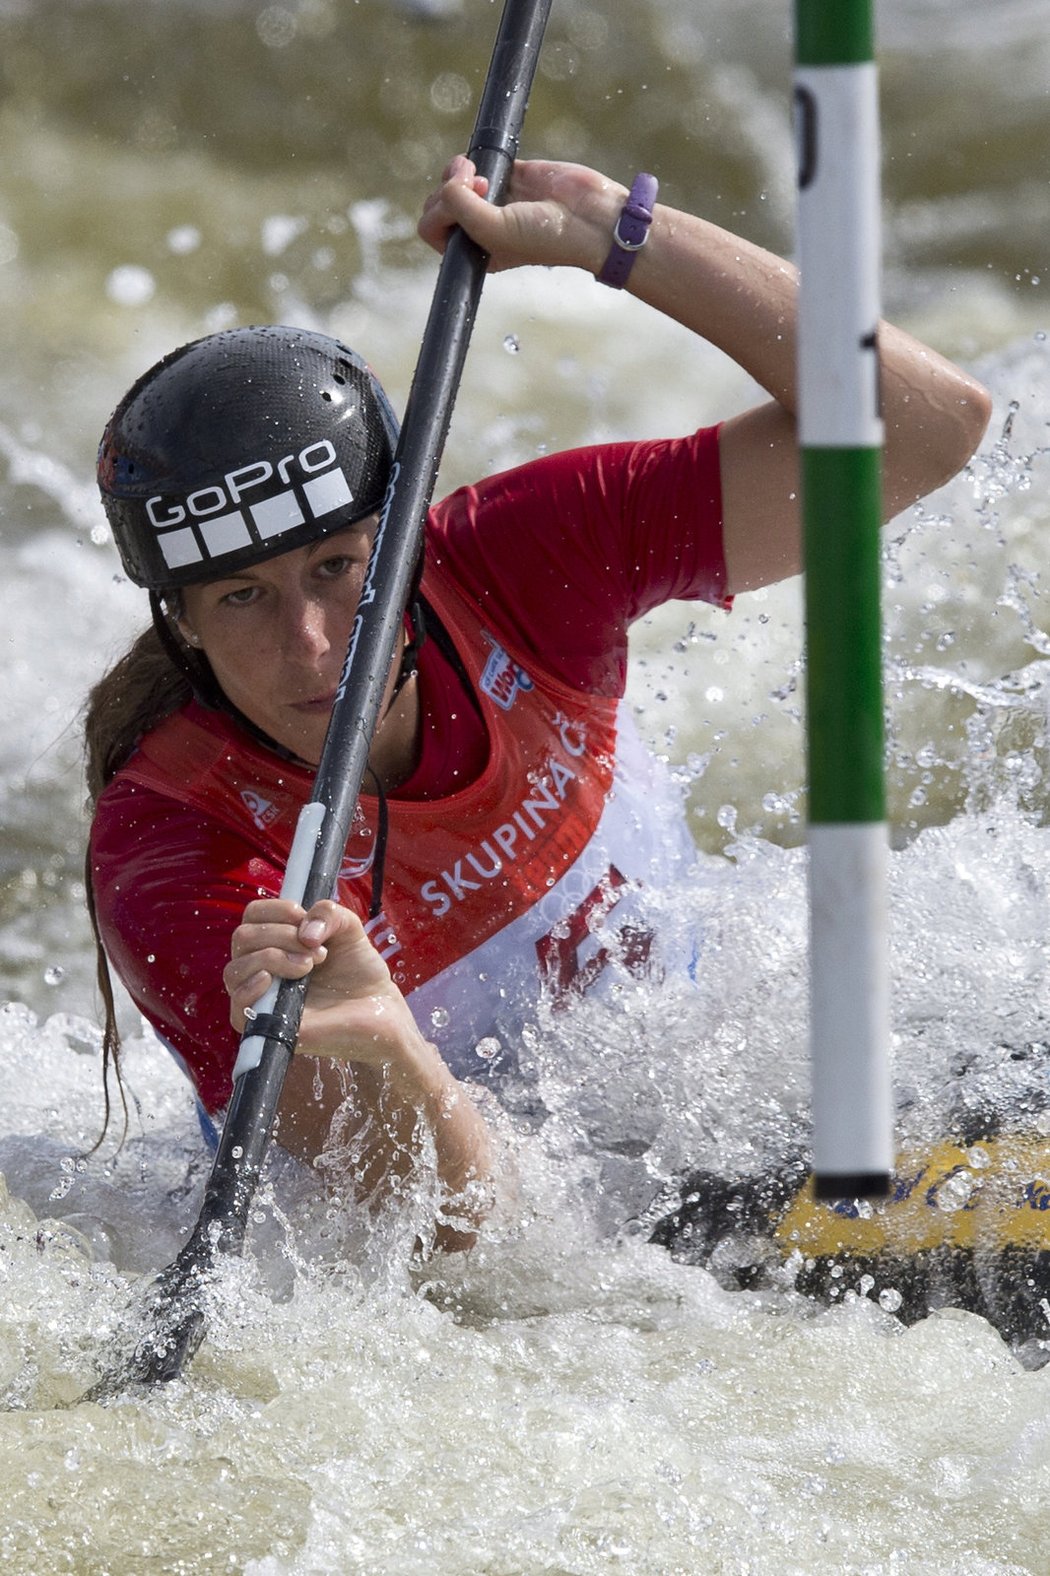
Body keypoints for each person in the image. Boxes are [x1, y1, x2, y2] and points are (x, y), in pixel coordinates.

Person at [84, 155, 992, 1253]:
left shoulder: (522, 559)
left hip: (706, 1116)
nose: (312, 646)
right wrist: (395, 1052)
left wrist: (623, 236)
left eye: (338, 566)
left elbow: (925, 427)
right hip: (510, 1255)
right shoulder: (177, 850)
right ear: (178, 622)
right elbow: (480, 1260)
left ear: (410, 539)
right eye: (241, 598)